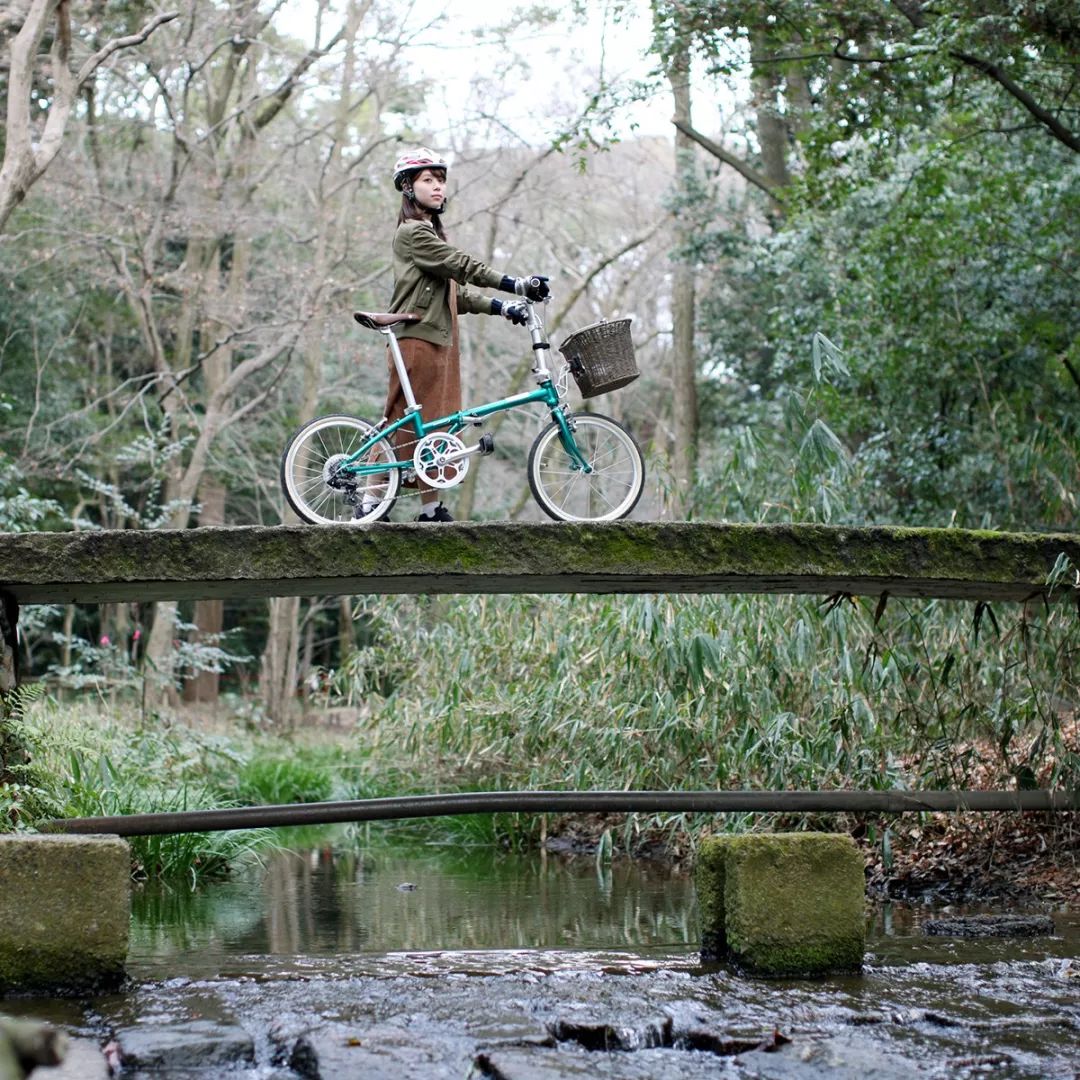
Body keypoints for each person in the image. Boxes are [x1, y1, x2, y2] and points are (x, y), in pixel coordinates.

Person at [381, 147, 550, 522]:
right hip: (416, 339)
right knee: (399, 422)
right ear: (408, 188)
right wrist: (515, 284)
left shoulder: (429, 235)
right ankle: (370, 501)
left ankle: (430, 509)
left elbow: (457, 294)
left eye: (441, 180)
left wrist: (502, 307)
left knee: (437, 426)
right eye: (428, 180)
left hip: (439, 341)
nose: (438, 187)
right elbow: (461, 266)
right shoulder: (413, 234)